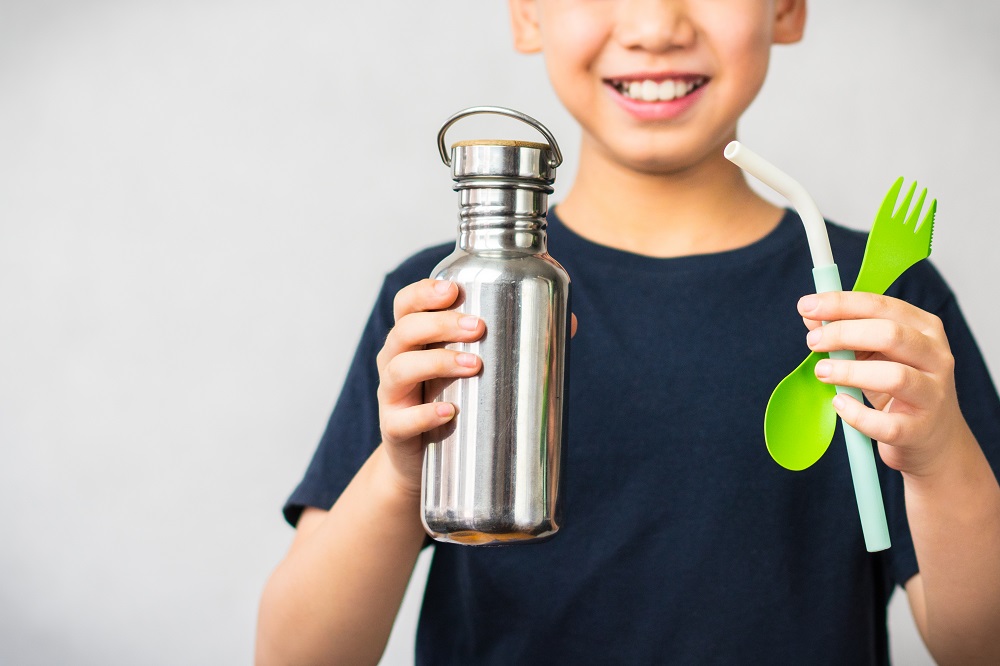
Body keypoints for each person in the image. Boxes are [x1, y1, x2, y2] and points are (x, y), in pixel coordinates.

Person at [256, 0, 1000, 663]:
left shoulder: (883, 301)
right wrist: (400, 471)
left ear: (789, 8)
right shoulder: (439, 303)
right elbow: (297, 656)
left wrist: (940, 456)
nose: (654, 27)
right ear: (526, 15)